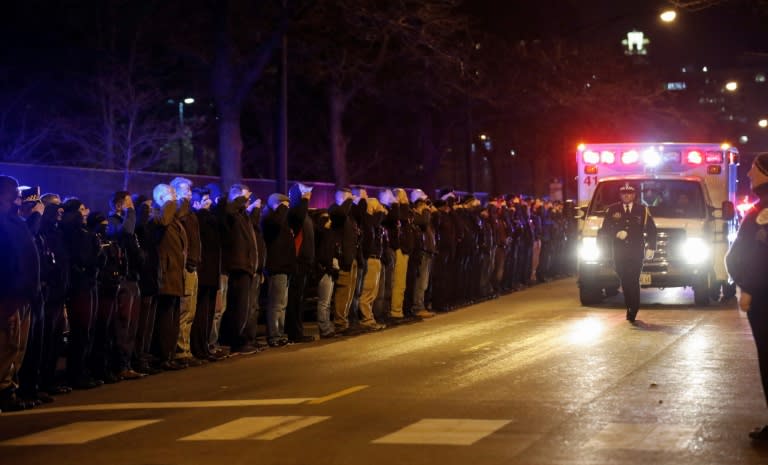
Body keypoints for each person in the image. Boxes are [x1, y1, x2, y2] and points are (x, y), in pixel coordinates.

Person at [725, 153, 768, 441]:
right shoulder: (760, 208)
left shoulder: (765, 211)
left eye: (754, 169)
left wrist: (749, 288)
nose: (750, 173)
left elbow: (762, 256)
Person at [598, 183, 656, 323]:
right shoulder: (613, 210)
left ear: (634, 195)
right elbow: (604, 229)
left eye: (629, 193)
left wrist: (651, 247)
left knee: (633, 280)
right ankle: (629, 304)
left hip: (636, 251)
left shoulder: (642, 210)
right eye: (624, 193)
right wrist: (616, 233)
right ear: (620, 195)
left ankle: (633, 308)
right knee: (624, 279)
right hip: (619, 252)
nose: (626, 195)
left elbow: (651, 229)